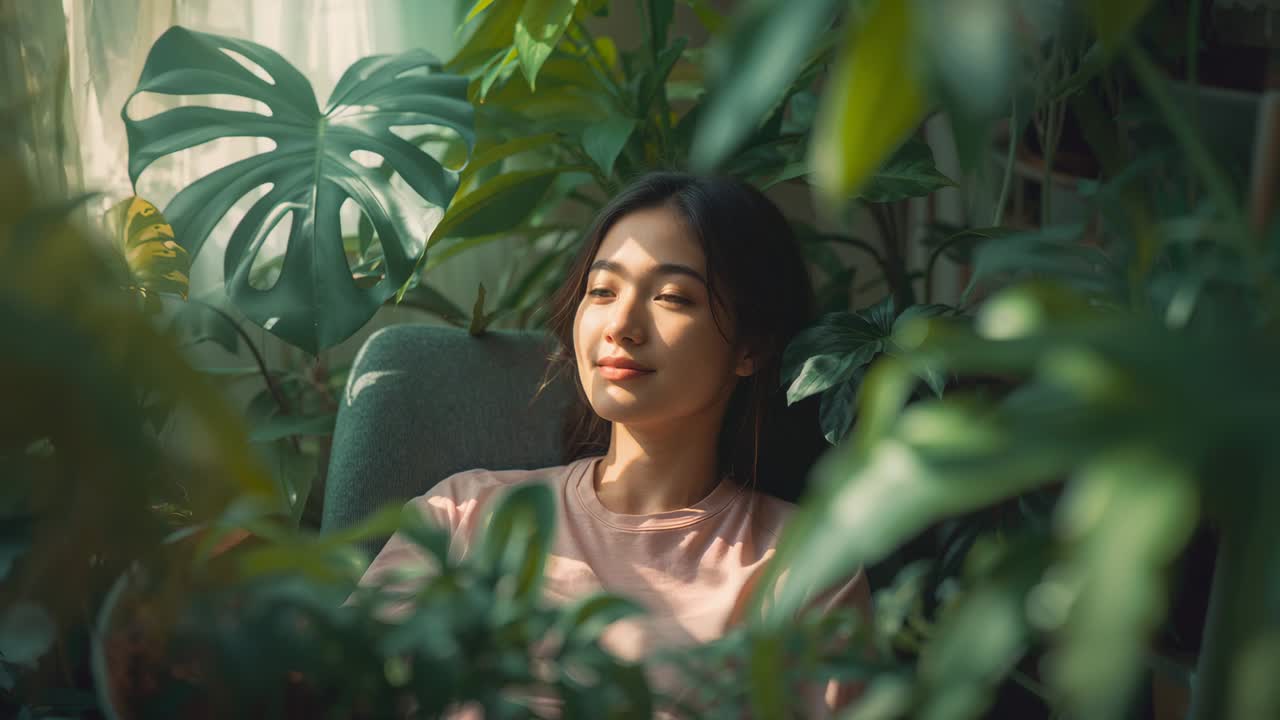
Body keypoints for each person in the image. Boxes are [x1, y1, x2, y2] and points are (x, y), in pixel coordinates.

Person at [356, 172, 872, 717]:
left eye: (673, 297)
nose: (621, 324)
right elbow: (334, 688)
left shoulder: (804, 567)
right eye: (601, 290)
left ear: (751, 347)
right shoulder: (462, 515)